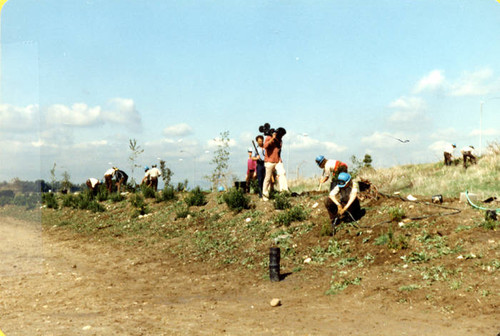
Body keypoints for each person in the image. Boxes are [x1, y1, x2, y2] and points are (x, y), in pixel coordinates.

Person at [262, 129, 288, 201]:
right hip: (269, 161)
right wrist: (272, 138)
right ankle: (265, 195)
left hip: (277, 160)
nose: (282, 136)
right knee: (267, 178)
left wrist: (280, 159)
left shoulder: (280, 141)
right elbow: (265, 146)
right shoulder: (269, 137)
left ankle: (283, 192)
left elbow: (279, 151)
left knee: (282, 173)